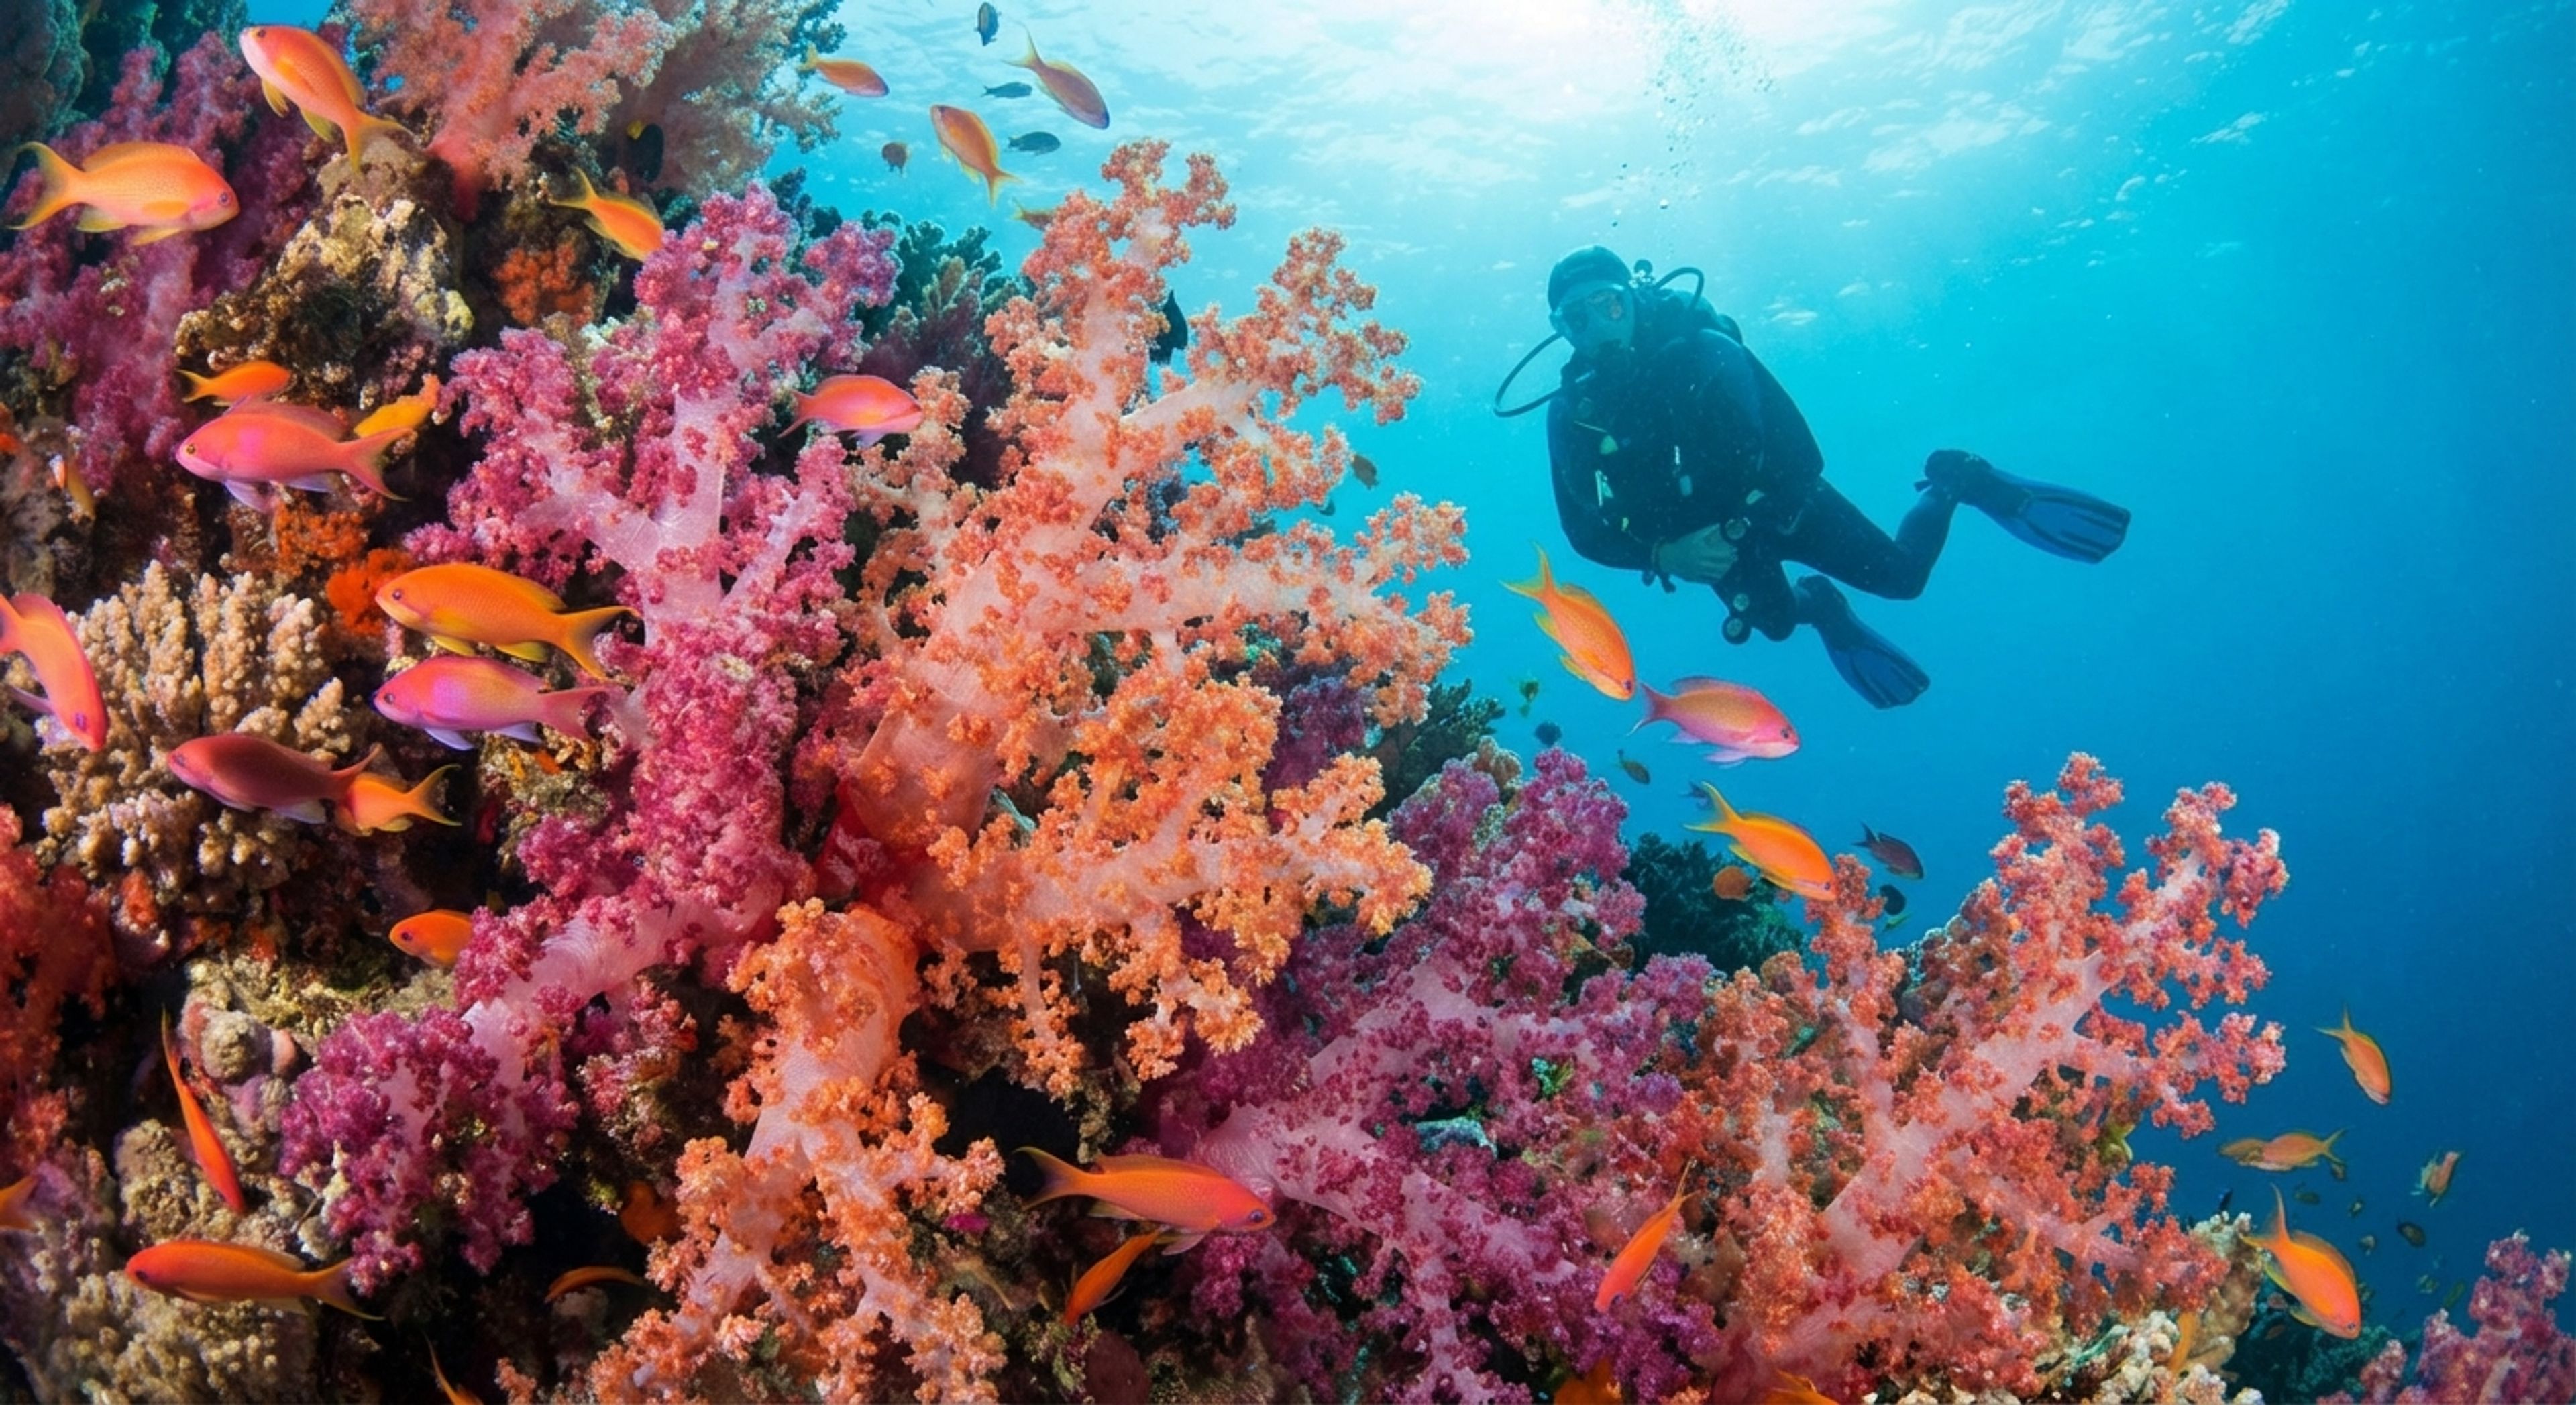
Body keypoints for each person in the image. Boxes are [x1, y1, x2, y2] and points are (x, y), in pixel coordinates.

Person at [1517, 245, 2131, 708]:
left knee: (1903, 578)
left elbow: (1801, 453)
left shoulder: (1705, 349)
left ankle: (1957, 481)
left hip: (1787, 504)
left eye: (1609, 305)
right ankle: (1824, 608)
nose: (1597, 327)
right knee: (1779, 625)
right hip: (1701, 545)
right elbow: (1582, 531)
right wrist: (1663, 552)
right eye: (1576, 319)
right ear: (1561, 331)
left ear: (1634, 299)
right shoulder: (1574, 414)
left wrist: (1749, 520)